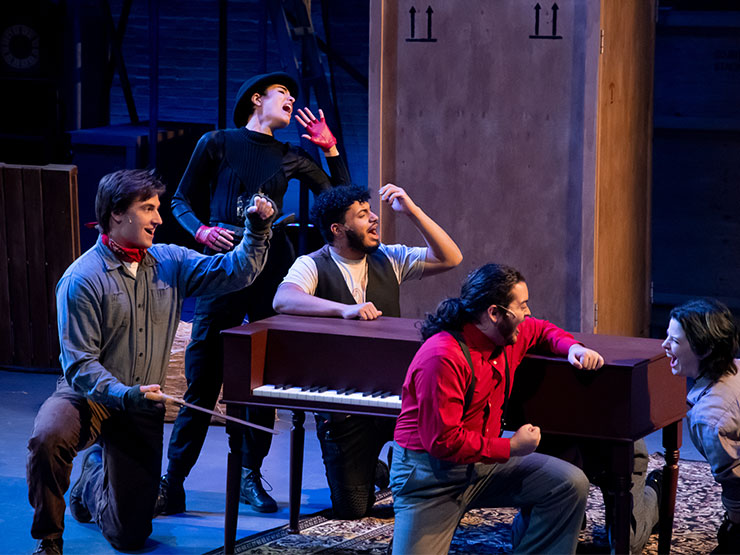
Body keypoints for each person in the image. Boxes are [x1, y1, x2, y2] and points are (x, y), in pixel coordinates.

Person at [26, 169, 276, 555]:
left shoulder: (169, 261)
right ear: (116, 215)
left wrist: (257, 231)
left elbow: (234, 272)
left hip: (143, 401)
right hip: (89, 396)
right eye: (147, 208)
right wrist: (124, 394)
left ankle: (91, 480)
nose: (159, 218)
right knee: (48, 435)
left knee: (130, 537)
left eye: (158, 208)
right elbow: (79, 365)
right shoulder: (81, 278)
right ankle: (49, 539)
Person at [161, 71, 351, 515]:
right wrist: (201, 230)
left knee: (263, 380)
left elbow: (340, 198)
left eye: (293, 95)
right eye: (282, 93)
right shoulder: (217, 142)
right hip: (223, 267)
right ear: (255, 99)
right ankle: (173, 480)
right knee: (203, 378)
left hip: (272, 268)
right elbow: (180, 201)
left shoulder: (290, 156)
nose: (291, 100)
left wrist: (330, 149)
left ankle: (248, 474)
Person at [272, 183, 462, 518]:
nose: (374, 218)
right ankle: (370, 467)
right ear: (338, 229)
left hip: (395, 395)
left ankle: (396, 461)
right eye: (362, 215)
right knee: (352, 510)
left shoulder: (388, 257)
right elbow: (283, 298)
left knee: (427, 491)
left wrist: (412, 210)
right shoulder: (313, 263)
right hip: (345, 404)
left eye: (370, 211)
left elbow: (451, 257)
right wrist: (341, 309)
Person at [390, 263, 605, 554]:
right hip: (430, 478)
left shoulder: (506, 336)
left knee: (568, 484)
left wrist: (571, 348)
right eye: (523, 305)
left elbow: (541, 329)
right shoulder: (442, 357)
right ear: (494, 312)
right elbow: (443, 441)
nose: (527, 313)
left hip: (481, 466)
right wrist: (512, 446)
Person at [662, 298, 740, 554]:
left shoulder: (710, 416)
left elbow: (736, 487)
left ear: (704, 349)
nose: (664, 346)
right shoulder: (736, 368)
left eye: (674, 341)